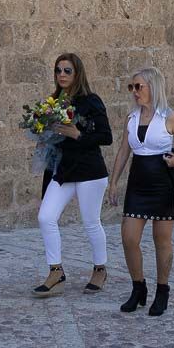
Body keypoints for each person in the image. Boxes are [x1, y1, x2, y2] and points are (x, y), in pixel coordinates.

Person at [104, 66, 174, 315]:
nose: (134, 92)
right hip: (138, 182)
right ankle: (138, 287)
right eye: (131, 87)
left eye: (138, 87)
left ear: (153, 87)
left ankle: (162, 290)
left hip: (164, 182)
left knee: (161, 240)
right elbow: (124, 150)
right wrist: (113, 182)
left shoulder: (169, 117)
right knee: (129, 238)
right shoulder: (131, 118)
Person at [34, 53, 113, 296]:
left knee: (91, 223)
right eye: (58, 70)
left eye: (67, 70)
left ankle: (100, 269)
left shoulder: (91, 101)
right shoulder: (52, 102)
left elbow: (106, 136)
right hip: (64, 170)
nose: (62, 75)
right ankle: (56, 271)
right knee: (45, 217)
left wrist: (78, 135)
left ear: (77, 73)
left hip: (89, 170)